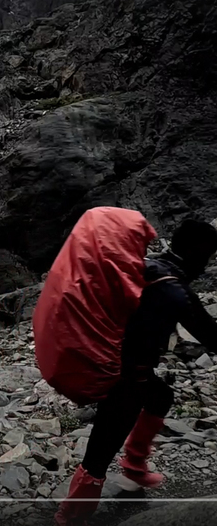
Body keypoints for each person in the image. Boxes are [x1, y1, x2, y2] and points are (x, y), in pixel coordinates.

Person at [56, 219, 217, 525]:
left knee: (161, 397)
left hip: (114, 363)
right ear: (195, 251)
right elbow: (211, 335)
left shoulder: (148, 265)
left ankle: (133, 471)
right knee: (100, 452)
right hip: (125, 377)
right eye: (208, 255)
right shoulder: (174, 289)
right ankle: (69, 517)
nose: (207, 264)